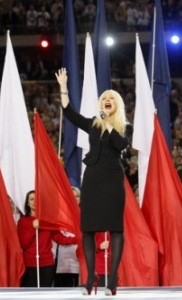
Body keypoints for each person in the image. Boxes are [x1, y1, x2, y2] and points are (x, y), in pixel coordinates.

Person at [55, 68, 133, 296]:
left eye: (110, 98)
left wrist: (108, 122)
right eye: (104, 99)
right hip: (92, 178)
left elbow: (120, 145)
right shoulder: (92, 124)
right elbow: (69, 113)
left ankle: (113, 277)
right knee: (88, 229)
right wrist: (63, 88)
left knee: (116, 228)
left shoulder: (125, 126)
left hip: (112, 178)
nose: (107, 101)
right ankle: (91, 277)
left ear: (116, 104)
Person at [17, 190, 77, 287]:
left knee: (45, 292)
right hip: (30, 263)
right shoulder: (23, 221)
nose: (34, 202)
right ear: (27, 203)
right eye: (31, 199)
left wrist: (78, 239)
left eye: (36, 199)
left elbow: (60, 239)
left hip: (47, 263)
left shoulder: (48, 221)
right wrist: (33, 228)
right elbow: (23, 244)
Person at [53, 186, 81, 287]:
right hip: (63, 261)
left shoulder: (85, 214)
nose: (75, 198)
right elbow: (57, 236)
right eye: (72, 196)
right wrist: (76, 239)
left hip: (81, 259)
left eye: (77, 196)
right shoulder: (59, 215)